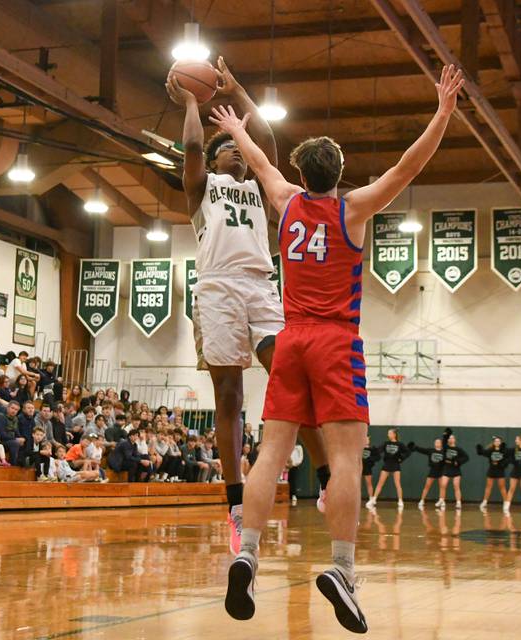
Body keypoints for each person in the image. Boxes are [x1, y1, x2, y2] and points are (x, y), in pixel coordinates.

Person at [216, 63, 463, 633]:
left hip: (291, 336)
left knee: (271, 454)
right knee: (348, 458)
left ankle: (247, 555)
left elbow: (260, 164)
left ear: (303, 173)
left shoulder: (285, 201)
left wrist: (236, 128)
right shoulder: (352, 208)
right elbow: (409, 164)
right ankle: (343, 570)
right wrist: (443, 111)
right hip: (335, 342)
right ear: (340, 173)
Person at [167, 56, 331, 551]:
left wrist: (236, 91)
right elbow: (194, 144)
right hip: (217, 287)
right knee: (230, 398)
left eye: (239, 151)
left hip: (261, 285)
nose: (236, 156)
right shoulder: (203, 189)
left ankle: (326, 481)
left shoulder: (260, 191)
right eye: (228, 152)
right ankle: (236, 501)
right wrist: (194, 100)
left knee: (292, 379)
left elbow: (267, 138)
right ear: (215, 162)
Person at [367, 429, 411, 510]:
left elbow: (407, 452)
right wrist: (373, 449)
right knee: (380, 483)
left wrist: (401, 459)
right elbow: (378, 450)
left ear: (394, 434)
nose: (388, 435)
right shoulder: (386, 443)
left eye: (390, 433)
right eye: (388, 433)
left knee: (397, 484)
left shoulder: (399, 444)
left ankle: (400, 501)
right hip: (386, 465)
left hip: (395, 465)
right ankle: (373, 500)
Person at [409, 437, 444, 510]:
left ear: (441, 444)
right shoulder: (431, 450)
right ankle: (422, 500)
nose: (437, 443)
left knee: (442, 486)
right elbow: (422, 450)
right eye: (436, 442)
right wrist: (415, 447)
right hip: (432, 470)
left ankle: (442, 500)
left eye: (438, 442)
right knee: (427, 486)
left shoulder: (444, 452)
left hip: (441, 471)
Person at [477, 436, 509, 513]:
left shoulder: (504, 451)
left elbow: (507, 460)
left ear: (500, 442)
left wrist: (502, 464)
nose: (497, 442)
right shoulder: (490, 450)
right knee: (488, 487)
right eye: (495, 441)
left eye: (498, 441)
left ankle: (506, 503)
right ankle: (484, 502)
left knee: (502, 487)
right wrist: (479, 449)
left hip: (500, 471)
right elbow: (483, 452)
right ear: (494, 442)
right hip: (491, 470)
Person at [441, 431, 469, 511]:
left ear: (455, 440)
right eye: (449, 438)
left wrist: (458, 461)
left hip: (455, 470)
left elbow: (466, 457)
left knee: (456, 486)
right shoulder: (446, 447)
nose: (451, 439)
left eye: (452, 438)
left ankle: (458, 502)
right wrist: (446, 435)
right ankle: (442, 501)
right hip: (447, 468)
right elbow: (443, 441)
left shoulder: (458, 449)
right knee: (443, 484)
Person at [0, 401, 24, 466]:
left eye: (16, 410)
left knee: (26, 443)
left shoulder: (15, 419)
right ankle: (13, 466)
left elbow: (17, 433)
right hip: (1, 442)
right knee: (15, 443)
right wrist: (16, 439)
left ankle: (23, 466)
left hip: (11, 440)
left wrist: (21, 439)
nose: (14, 411)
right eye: (12, 408)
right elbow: (1, 434)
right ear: (7, 407)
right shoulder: (0, 417)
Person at [361, 435, 381, 500]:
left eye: (368, 439)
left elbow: (378, 457)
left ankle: (371, 499)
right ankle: (357, 498)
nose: (366, 440)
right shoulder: (359, 448)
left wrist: (370, 459)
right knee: (358, 484)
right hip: (360, 468)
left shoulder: (372, 449)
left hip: (368, 468)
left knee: (369, 484)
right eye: (365, 439)